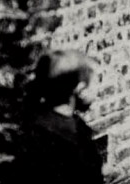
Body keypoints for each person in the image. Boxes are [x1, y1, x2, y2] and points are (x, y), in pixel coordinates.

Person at [15, 49, 104, 184]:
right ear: (80, 90)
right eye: (96, 82)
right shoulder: (59, 138)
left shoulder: (71, 124)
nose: (98, 89)